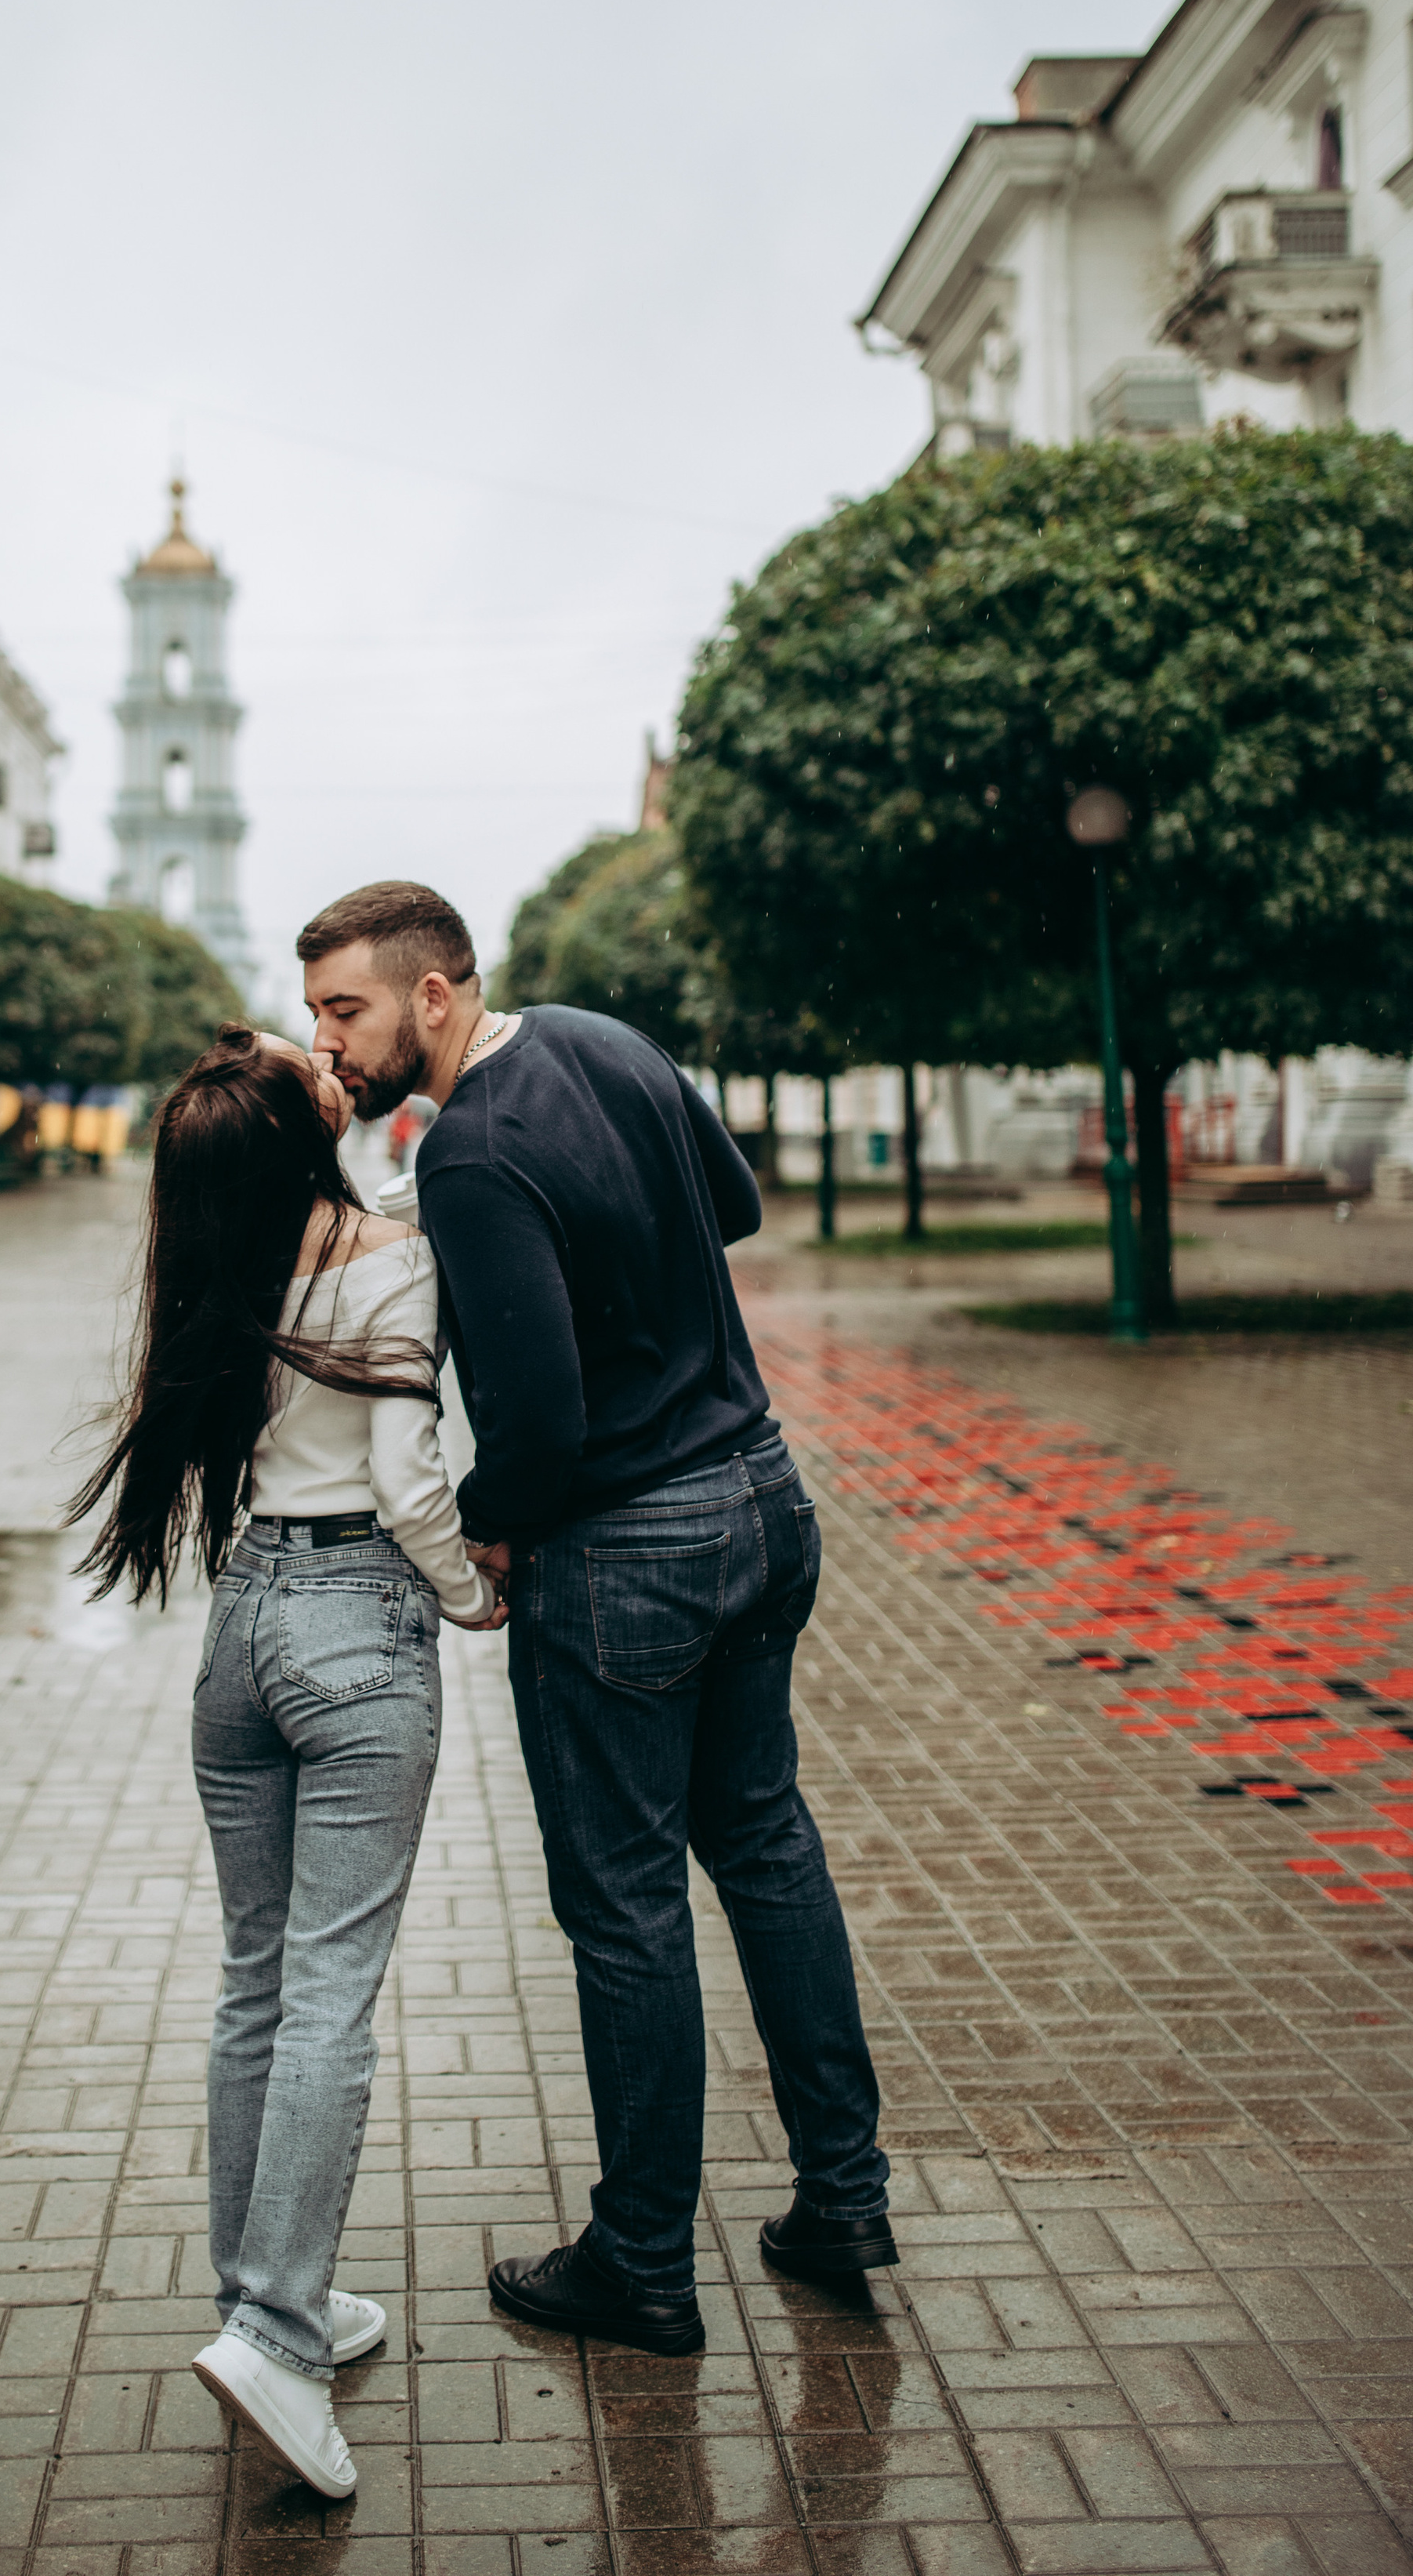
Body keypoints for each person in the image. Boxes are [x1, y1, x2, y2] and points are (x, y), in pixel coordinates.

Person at [297, 881, 893, 2360]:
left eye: (348, 1009)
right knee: (764, 1846)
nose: (332, 1039)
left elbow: (546, 1427)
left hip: (628, 1554)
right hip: (761, 1495)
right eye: (315, 1012)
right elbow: (734, 1207)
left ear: (433, 995)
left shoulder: (475, 1157)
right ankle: (844, 2200)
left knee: (624, 1907)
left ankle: (640, 2262)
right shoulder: (602, 1039)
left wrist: (487, 1530)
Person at [69, 1025, 502, 2499]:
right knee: (328, 1995)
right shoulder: (386, 1252)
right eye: (290, 1059)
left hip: (242, 1636)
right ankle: (279, 2337)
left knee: (256, 1980)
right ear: (289, 1127)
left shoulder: (224, 1255)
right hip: (357, 1625)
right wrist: (469, 1591)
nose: (317, 1057)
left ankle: (267, 2301)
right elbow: (403, 1474)